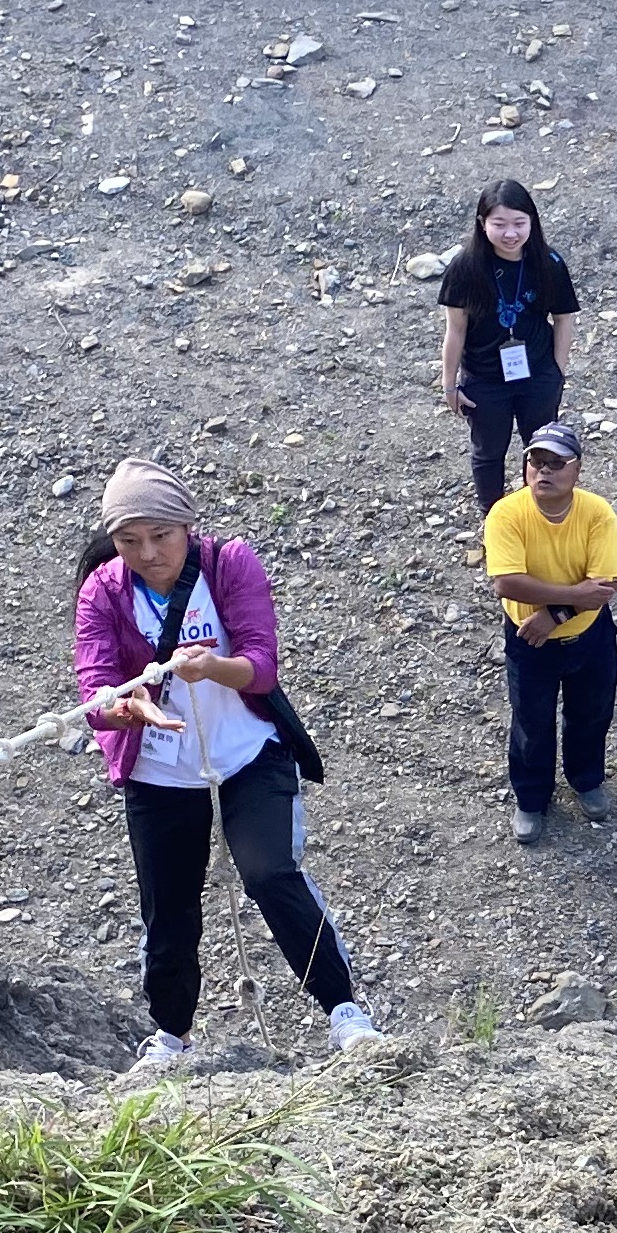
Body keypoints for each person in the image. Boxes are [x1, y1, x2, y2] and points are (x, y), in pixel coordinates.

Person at [70, 457, 384, 1068]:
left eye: (161, 536)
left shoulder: (228, 564)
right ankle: (169, 1034)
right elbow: (96, 695)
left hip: (247, 754)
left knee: (270, 873)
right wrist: (134, 711)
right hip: (160, 770)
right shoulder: (102, 591)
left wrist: (211, 666)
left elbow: (261, 665)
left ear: (188, 525)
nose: (149, 553)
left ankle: (344, 1011)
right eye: (130, 541)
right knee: (168, 901)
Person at [482, 419, 617, 847]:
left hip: (590, 638)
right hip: (529, 641)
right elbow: (507, 582)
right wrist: (571, 597)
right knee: (531, 721)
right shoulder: (507, 514)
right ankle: (531, 798)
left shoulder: (597, 512)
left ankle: (586, 780)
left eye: (555, 463)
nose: (543, 471)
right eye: (535, 462)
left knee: (592, 712)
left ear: (576, 469)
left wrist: (554, 613)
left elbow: (605, 587)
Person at [435, 178, 585, 509]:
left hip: (537, 375)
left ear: (532, 221)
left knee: (541, 450)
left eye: (519, 223)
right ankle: (495, 519)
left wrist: (556, 372)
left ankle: (535, 512)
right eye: (499, 224)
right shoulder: (465, 267)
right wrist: (449, 385)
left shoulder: (549, 263)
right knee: (489, 452)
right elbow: (455, 330)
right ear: (482, 223)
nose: (510, 233)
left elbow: (564, 318)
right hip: (485, 378)